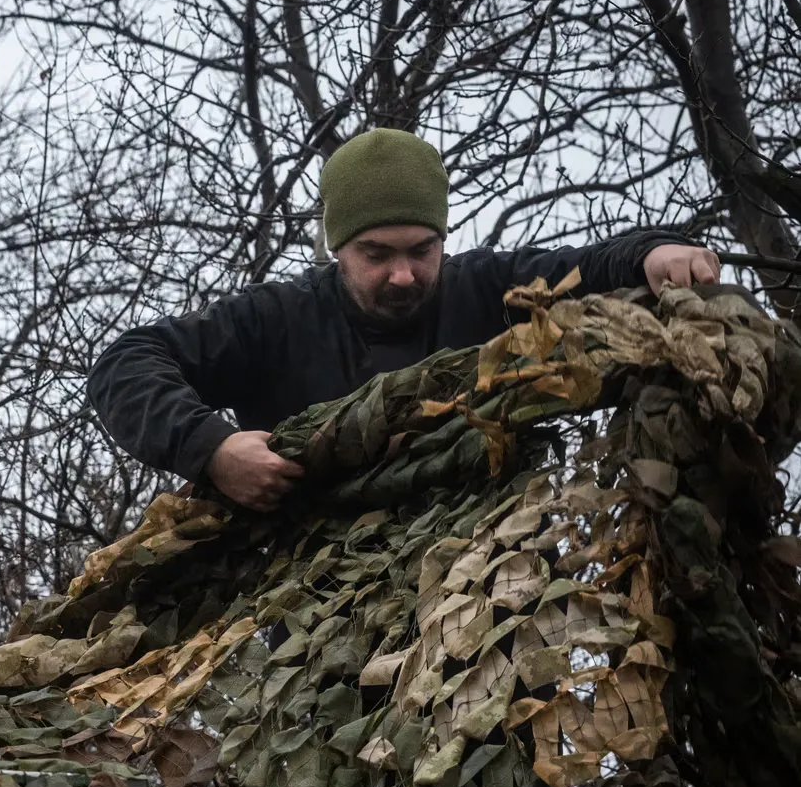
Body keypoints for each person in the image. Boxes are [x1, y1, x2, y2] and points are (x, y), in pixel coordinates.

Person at [87, 128, 722, 511]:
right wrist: (212, 449)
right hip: (321, 625)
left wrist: (655, 252)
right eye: (376, 254)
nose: (403, 275)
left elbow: (592, 266)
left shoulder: (486, 290)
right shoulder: (274, 321)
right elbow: (126, 363)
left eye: (421, 250)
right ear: (336, 249)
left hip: (488, 609)